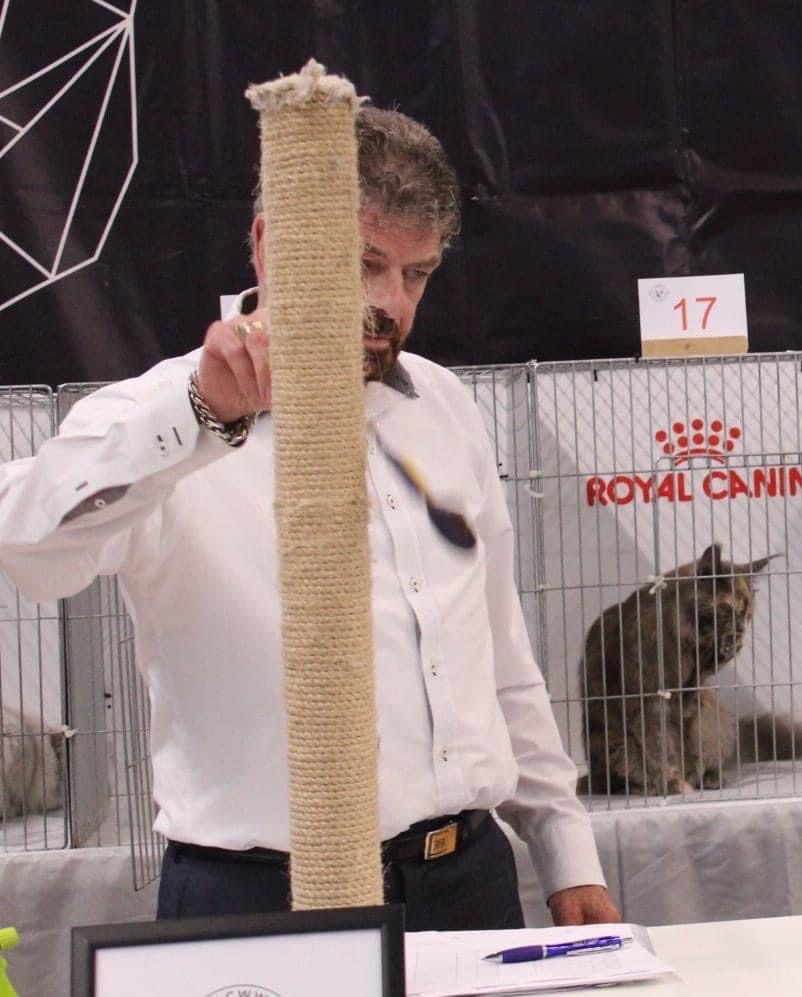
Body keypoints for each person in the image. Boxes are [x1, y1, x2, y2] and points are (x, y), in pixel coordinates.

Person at [0, 106, 620, 931]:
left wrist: (565, 851)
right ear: (269, 244)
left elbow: (500, 653)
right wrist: (197, 418)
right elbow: (30, 551)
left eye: (417, 273)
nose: (390, 304)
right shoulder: (158, 416)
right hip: (252, 899)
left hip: (467, 879)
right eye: (366, 263)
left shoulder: (445, 406)